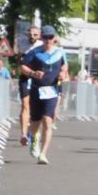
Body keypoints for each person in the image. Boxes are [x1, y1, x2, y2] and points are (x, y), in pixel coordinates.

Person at [20, 25, 68, 165]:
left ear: (54, 38)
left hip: (52, 91)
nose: (48, 40)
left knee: (48, 120)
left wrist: (63, 72)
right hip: (37, 90)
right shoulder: (35, 52)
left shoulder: (60, 52)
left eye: (50, 37)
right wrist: (33, 73)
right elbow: (22, 67)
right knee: (35, 122)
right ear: (42, 38)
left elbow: (64, 66)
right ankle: (33, 139)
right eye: (45, 37)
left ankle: (43, 154)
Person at [17, 25, 42, 145]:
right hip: (26, 77)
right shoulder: (21, 42)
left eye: (35, 35)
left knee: (35, 108)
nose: (32, 37)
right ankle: (23, 134)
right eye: (30, 34)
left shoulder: (41, 45)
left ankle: (31, 132)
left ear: (39, 35)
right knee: (25, 105)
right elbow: (19, 60)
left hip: (38, 79)